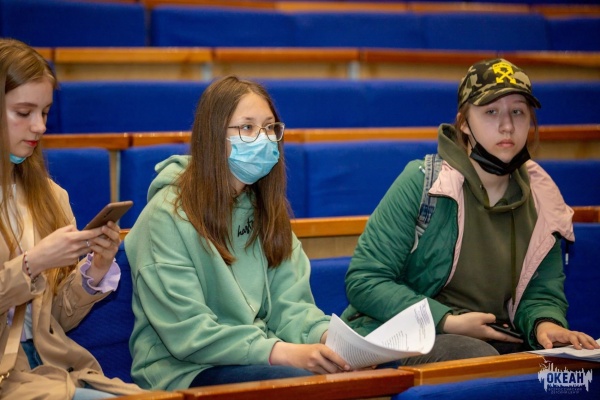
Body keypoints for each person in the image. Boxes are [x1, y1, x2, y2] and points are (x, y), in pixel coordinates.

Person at [341, 58, 600, 364]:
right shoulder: (423, 182)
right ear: (463, 123)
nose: (507, 125)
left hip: (492, 338)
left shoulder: (542, 198)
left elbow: (540, 293)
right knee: (476, 357)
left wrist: (545, 324)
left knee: (562, 363)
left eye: (518, 112)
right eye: (491, 112)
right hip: (405, 335)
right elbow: (365, 280)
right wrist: (446, 320)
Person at [125, 75, 350, 391]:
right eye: (247, 127)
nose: (264, 138)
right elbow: (189, 334)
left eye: (269, 127)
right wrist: (283, 352)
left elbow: (291, 306)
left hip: (256, 356)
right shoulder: (165, 216)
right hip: (183, 372)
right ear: (213, 136)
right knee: (297, 384)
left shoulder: (265, 208)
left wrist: (327, 340)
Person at [0, 39, 142, 399]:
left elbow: (55, 322)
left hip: (54, 367)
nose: (39, 126)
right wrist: (32, 264)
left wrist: (95, 270)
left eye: (45, 113)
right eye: (24, 112)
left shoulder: (51, 196)